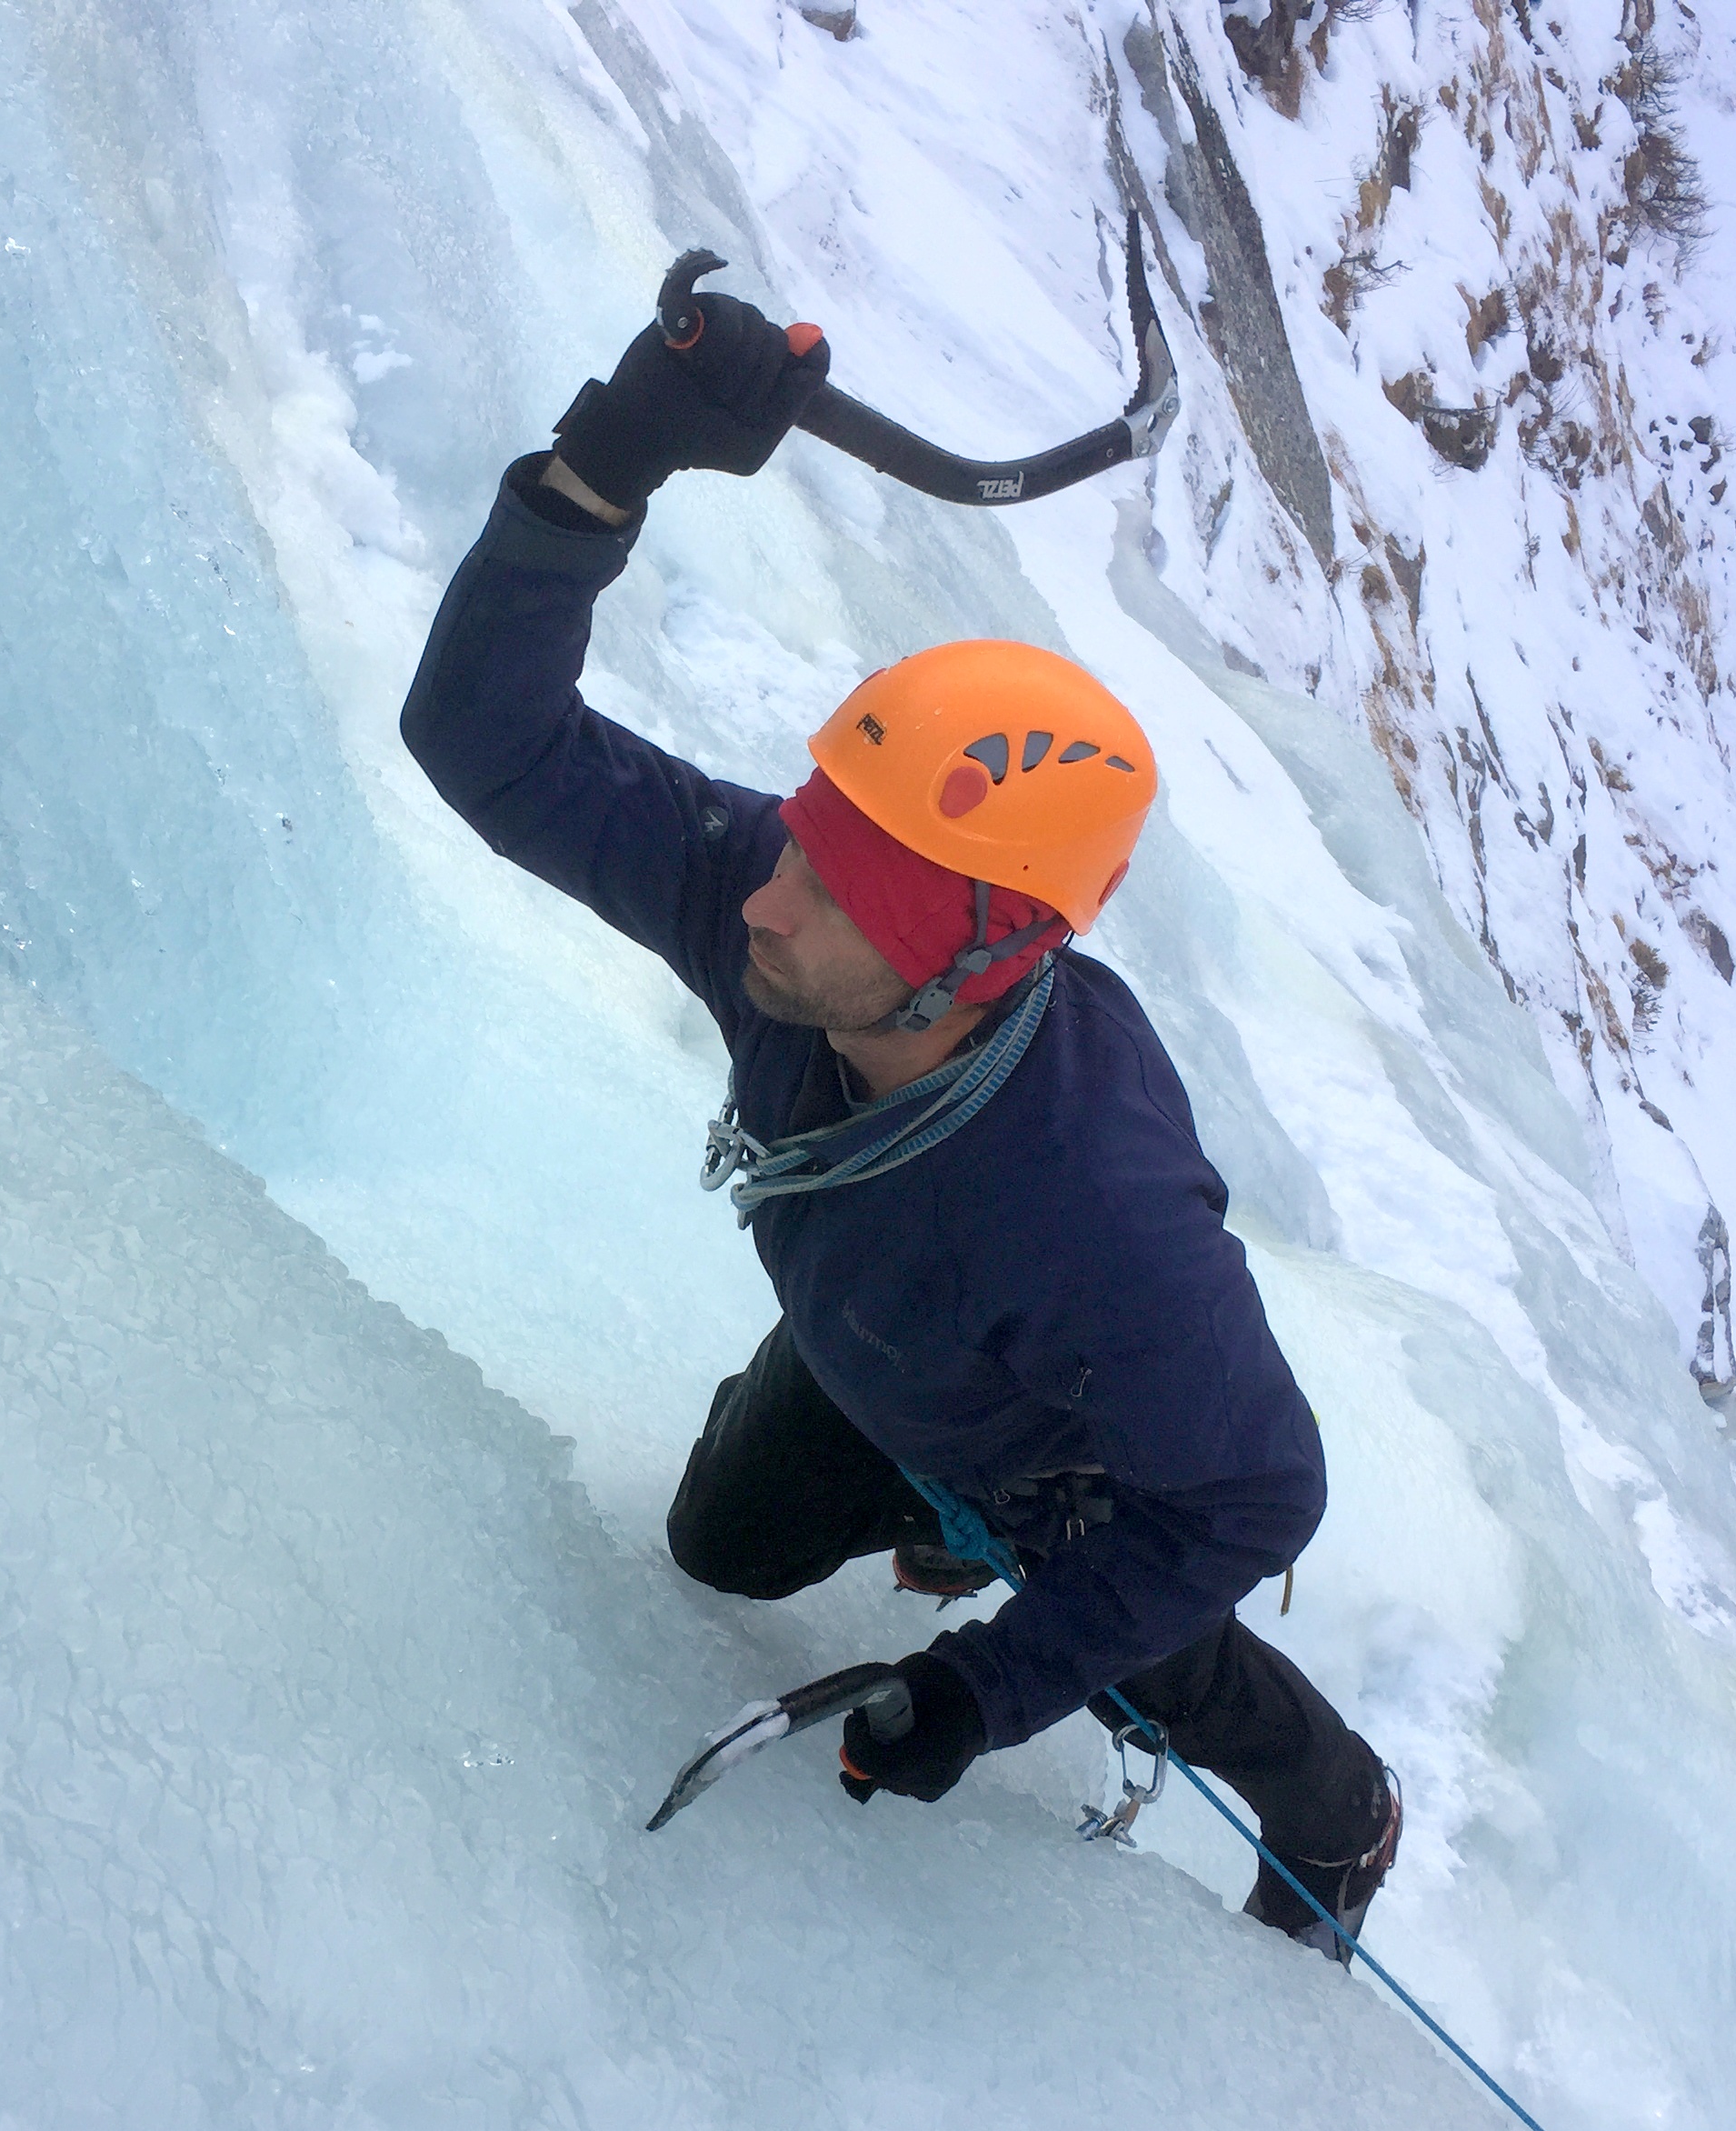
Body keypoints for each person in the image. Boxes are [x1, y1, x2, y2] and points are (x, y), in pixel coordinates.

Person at [398, 283, 1399, 1958]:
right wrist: (600, 468)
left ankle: (1338, 1808)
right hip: (885, 1333)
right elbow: (485, 739)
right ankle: (917, 1498)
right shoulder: (783, 915)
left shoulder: (1100, 1220)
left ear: (975, 966)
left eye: (835, 887)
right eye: (799, 835)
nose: (766, 903)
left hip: (1054, 1447)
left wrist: (986, 1687)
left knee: (1139, 1624)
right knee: (723, 1546)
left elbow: (1252, 1496)